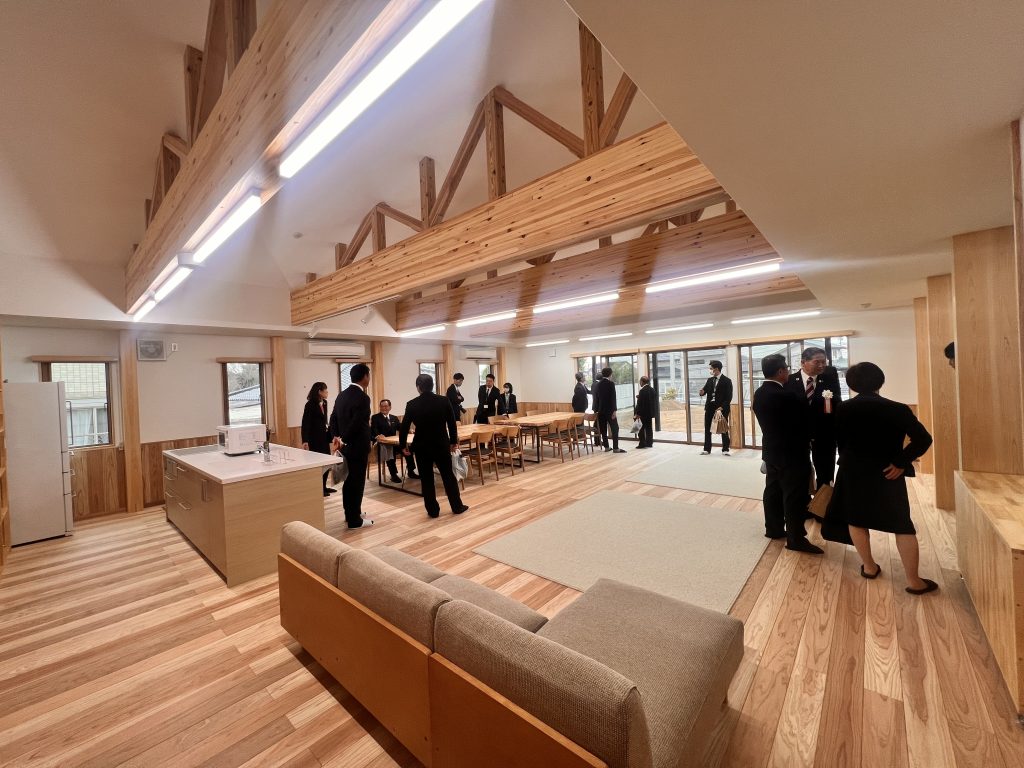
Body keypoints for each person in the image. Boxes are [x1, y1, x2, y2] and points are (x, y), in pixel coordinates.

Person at [825, 362, 937, 593]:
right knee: (902, 525)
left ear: (851, 384)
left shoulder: (844, 408)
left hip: (852, 471)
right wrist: (901, 462)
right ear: (880, 381)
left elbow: (840, 442)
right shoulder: (898, 409)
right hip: (888, 473)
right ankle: (914, 581)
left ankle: (869, 567)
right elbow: (923, 439)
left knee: (856, 519)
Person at [752, 353, 822, 554]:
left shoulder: (760, 392)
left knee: (773, 490)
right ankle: (795, 538)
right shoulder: (788, 396)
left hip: (771, 450)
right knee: (794, 495)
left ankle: (773, 528)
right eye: (787, 369)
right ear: (781, 371)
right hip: (792, 453)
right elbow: (804, 424)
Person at [400, 373, 469, 519]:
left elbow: (404, 427)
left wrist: (403, 445)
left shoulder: (412, 404)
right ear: (432, 386)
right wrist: (453, 442)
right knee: (448, 476)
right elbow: (452, 423)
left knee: (426, 479)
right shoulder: (443, 401)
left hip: (421, 446)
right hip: (441, 444)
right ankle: (457, 506)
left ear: (418, 387)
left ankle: (432, 510)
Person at [784, 346, 841, 490]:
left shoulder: (830, 380)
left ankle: (823, 503)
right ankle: (803, 501)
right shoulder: (789, 380)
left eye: (824, 362)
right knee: (799, 474)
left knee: (826, 475)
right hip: (797, 436)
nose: (821, 365)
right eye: (817, 362)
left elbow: (836, 404)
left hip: (824, 435)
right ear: (803, 362)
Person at [329, 363, 373, 529]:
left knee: (349, 481)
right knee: (357, 482)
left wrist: (337, 437)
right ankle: (355, 521)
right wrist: (343, 439)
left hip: (345, 447)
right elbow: (358, 422)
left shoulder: (341, 395)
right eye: (368, 375)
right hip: (357, 446)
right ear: (365, 377)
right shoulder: (363, 397)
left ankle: (352, 513)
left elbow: (333, 418)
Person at [300, 381, 335, 497]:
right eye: (325, 390)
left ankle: (324, 486)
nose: (327, 392)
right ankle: (318, 488)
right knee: (318, 464)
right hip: (314, 439)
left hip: (324, 437)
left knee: (327, 462)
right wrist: (305, 440)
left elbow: (324, 421)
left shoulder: (324, 402)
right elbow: (305, 423)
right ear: (320, 391)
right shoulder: (310, 404)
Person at [370, 399, 417, 483]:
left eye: (386, 406)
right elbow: (374, 430)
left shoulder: (394, 418)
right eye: (382, 406)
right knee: (390, 451)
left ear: (390, 407)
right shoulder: (375, 417)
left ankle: (411, 471)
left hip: (394, 443)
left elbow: (400, 427)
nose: (384, 408)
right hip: (382, 444)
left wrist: (409, 430)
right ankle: (393, 475)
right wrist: (378, 435)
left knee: (407, 449)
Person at [698, 360, 732, 455]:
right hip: (710, 407)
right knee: (707, 428)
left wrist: (722, 407)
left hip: (721, 409)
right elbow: (704, 391)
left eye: (711, 368)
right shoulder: (709, 380)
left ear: (716, 369)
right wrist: (701, 392)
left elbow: (729, 397)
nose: (710, 370)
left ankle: (725, 449)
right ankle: (707, 449)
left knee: (723, 429)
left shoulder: (727, 381)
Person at [596, 367, 625, 453]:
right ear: (610, 374)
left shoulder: (598, 384)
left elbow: (596, 398)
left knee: (603, 429)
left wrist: (597, 410)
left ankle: (606, 447)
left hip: (600, 410)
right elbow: (613, 398)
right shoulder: (611, 384)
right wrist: (614, 410)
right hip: (610, 410)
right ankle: (615, 448)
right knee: (615, 428)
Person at [633, 375, 656, 448]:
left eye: (640, 381)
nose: (640, 383)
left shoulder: (642, 391)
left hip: (642, 414)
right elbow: (650, 401)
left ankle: (642, 444)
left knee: (641, 429)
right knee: (649, 428)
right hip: (649, 413)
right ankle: (649, 443)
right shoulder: (652, 390)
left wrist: (637, 413)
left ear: (642, 382)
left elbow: (640, 404)